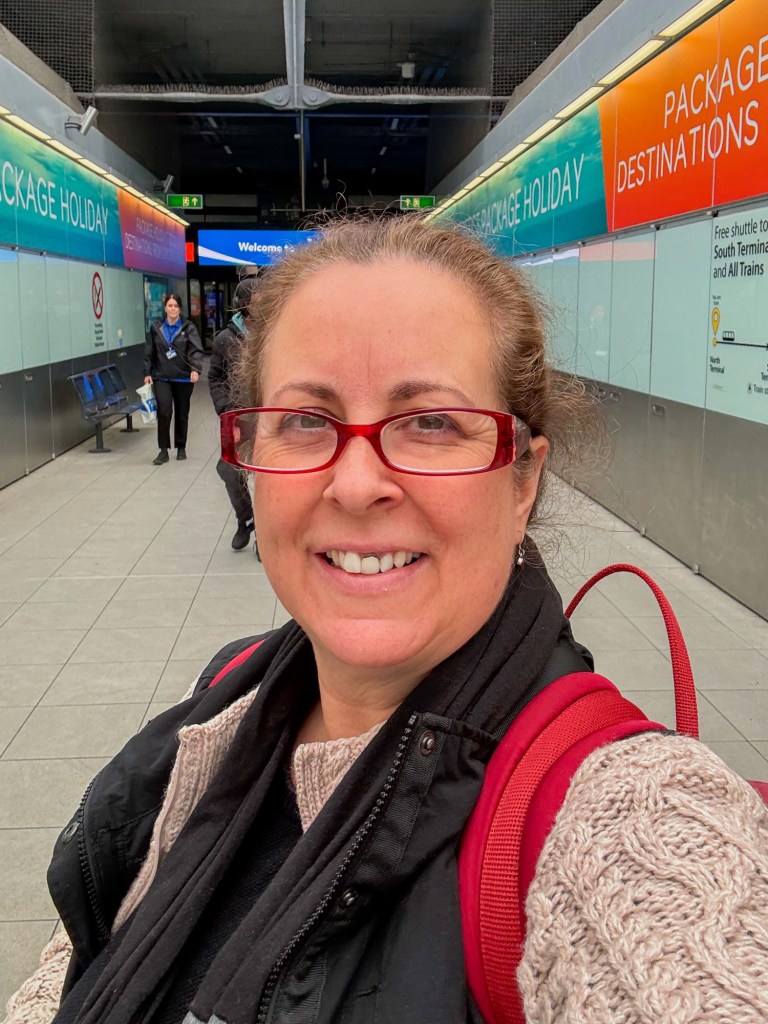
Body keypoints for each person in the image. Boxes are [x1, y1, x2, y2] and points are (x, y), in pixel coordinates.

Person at [5, 218, 767, 1024]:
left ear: (522, 484)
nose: (356, 484)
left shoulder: (624, 818)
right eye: (306, 420)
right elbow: (87, 958)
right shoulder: (228, 699)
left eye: (431, 422)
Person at [209, 277, 261, 553]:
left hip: (266, 415)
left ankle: (263, 535)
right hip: (236, 416)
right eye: (256, 301)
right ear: (243, 305)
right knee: (229, 470)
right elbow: (214, 377)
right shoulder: (225, 339)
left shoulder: (272, 334)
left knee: (264, 475)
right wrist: (225, 407)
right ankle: (246, 519)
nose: (261, 305)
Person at [144, 294, 204, 465]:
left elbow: (195, 350)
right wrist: (147, 372)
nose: (172, 309)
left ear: (180, 308)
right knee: (164, 411)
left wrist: (195, 369)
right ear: (165, 308)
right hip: (161, 376)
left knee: (182, 413)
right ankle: (163, 450)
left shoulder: (188, 327)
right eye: (170, 306)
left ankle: (181, 447)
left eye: (176, 306)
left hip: (183, 377)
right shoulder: (156, 327)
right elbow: (149, 350)